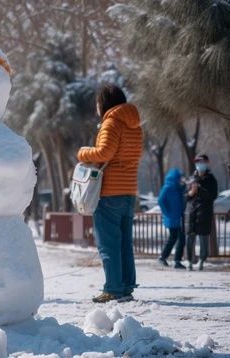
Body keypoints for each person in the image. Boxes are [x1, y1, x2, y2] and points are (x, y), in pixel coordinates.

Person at [76, 84, 143, 303]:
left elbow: (105, 152)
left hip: (109, 191)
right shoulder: (135, 125)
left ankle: (113, 288)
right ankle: (126, 286)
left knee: (108, 243)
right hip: (128, 190)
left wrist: (83, 153)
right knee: (124, 243)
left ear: (104, 102)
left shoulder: (111, 123)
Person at [186, 154, 218, 271]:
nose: (200, 164)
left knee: (203, 238)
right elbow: (186, 196)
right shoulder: (192, 179)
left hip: (204, 212)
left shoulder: (211, 179)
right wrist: (190, 193)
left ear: (207, 163)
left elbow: (212, 195)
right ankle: (189, 260)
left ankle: (202, 260)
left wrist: (199, 189)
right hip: (192, 213)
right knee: (190, 238)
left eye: (202, 162)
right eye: (198, 162)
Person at [157, 169, 187, 269]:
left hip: (177, 217)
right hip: (173, 217)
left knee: (174, 238)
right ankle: (175, 260)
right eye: (179, 177)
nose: (180, 179)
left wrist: (184, 185)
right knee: (180, 238)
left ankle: (164, 257)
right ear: (175, 178)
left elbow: (182, 194)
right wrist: (167, 212)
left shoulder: (176, 187)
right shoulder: (168, 187)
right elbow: (161, 200)